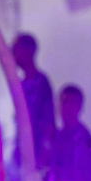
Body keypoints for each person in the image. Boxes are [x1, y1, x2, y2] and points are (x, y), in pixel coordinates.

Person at [11, 33, 56, 172]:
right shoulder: (22, 84)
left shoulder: (41, 83)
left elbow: (48, 121)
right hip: (21, 154)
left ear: (27, 52)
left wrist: (44, 155)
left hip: (35, 156)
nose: (12, 54)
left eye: (16, 49)